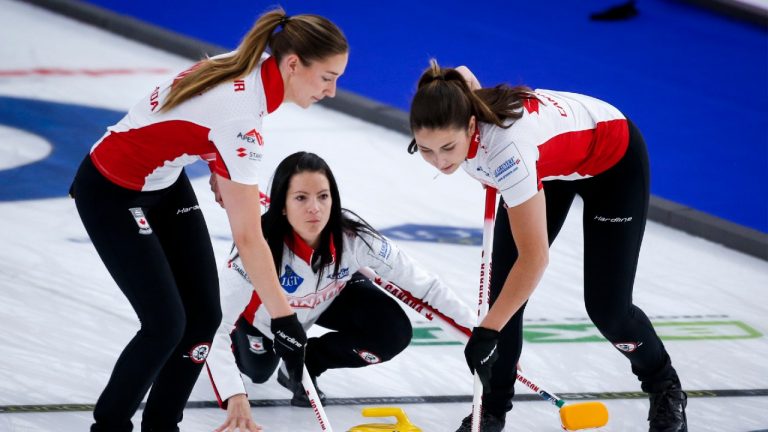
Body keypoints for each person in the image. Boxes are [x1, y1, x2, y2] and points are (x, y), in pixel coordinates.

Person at [68, 8, 348, 432]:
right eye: (328, 77)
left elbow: (196, 119)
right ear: (293, 64)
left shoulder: (252, 66)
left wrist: (219, 166)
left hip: (162, 182)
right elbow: (250, 239)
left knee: (203, 318)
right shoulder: (242, 119)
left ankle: (163, 425)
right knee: (165, 324)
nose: (331, 91)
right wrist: (285, 319)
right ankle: (109, 427)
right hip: (110, 191)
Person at [408, 60, 687, 432]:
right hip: (551, 165)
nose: (441, 161)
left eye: (447, 148)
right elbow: (461, 72)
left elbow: (535, 258)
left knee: (608, 309)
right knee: (504, 294)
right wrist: (494, 324)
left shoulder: (507, 151)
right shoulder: (461, 109)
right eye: (426, 151)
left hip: (611, 160)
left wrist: (488, 331)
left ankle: (665, 386)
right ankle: (491, 411)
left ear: (471, 125)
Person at [206, 151, 477, 432]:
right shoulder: (257, 248)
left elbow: (425, 286)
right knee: (257, 372)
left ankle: (305, 365)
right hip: (264, 321)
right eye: (301, 198)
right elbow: (215, 325)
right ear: (283, 206)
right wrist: (234, 394)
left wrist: (480, 333)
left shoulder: (354, 237)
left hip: (328, 298)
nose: (315, 208)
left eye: (323, 196)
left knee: (391, 332)